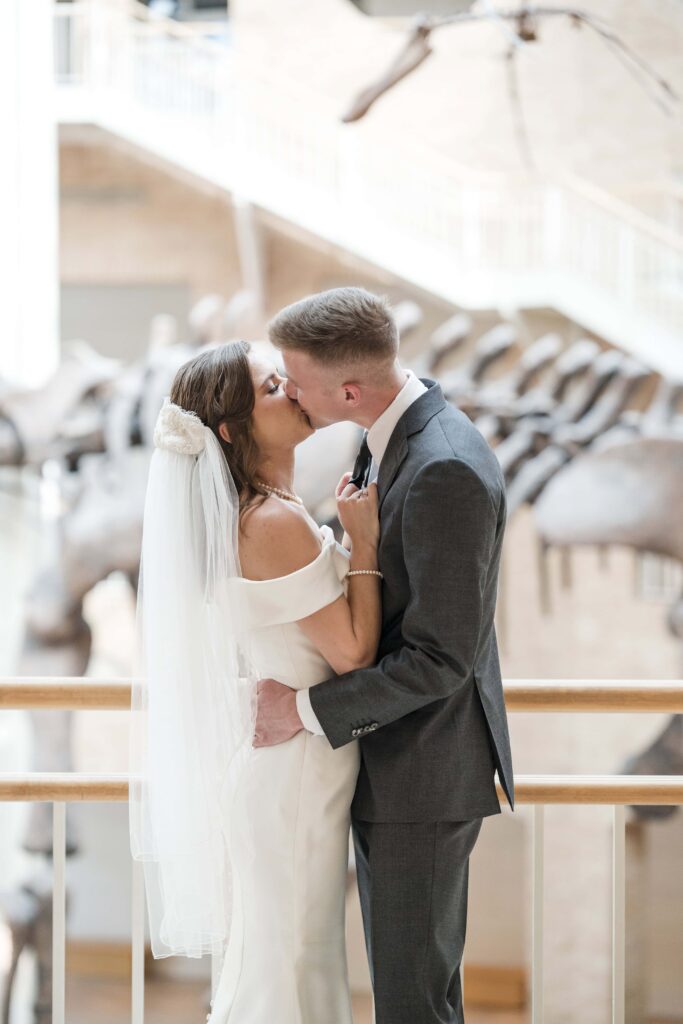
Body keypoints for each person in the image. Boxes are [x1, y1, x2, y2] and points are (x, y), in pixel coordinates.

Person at [254, 286, 515, 1024]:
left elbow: (440, 658)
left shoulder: (444, 468)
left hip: (423, 777)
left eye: (293, 380)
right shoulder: (387, 438)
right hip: (399, 767)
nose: (288, 392)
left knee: (411, 1007)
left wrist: (303, 710)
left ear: (346, 390)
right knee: (415, 998)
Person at [129, 338, 382, 1024]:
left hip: (293, 767)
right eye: (273, 388)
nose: (293, 390)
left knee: (293, 957)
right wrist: (364, 542)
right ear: (230, 430)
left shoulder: (264, 511)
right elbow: (353, 653)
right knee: (291, 965)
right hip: (292, 779)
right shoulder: (270, 522)